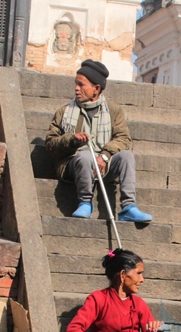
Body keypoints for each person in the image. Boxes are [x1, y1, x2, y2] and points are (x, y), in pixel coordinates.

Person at [45, 60, 153, 222]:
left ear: (96, 89)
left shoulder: (113, 110)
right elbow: (50, 144)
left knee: (126, 156)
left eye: (82, 85)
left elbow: (123, 138)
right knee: (86, 156)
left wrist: (104, 155)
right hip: (74, 164)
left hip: (104, 164)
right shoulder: (65, 111)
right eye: (76, 84)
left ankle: (129, 207)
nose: (76, 88)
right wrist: (72, 140)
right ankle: (85, 203)